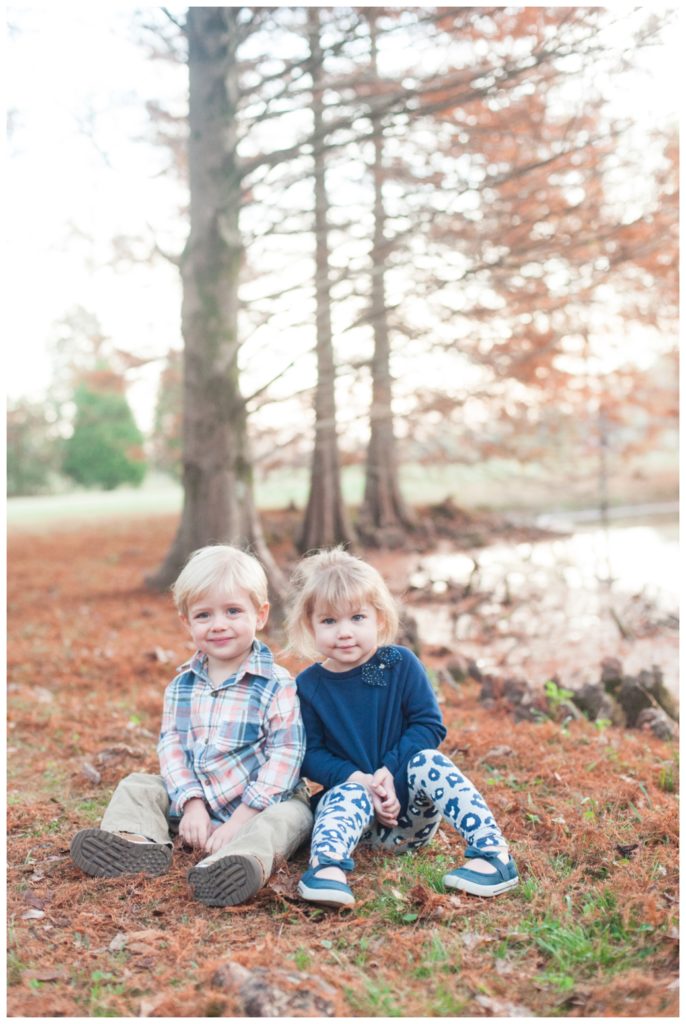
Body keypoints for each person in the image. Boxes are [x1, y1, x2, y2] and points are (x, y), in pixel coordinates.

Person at [70, 544, 312, 906]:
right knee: (138, 785)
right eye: (203, 615)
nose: (218, 624)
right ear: (187, 622)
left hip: (259, 805)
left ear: (260, 615)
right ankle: (136, 842)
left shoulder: (276, 684)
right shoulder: (182, 686)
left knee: (293, 815)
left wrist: (240, 820)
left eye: (233, 611)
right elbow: (172, 747)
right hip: (199, 802)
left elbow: (286, 755)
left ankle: (237, 862)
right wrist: (192, 804)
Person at [285, 547, 518, 909]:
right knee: (349, 792)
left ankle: (493, 855)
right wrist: (360, 780)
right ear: (310, 625)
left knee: (428, 760)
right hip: (352, 825)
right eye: (329, 621)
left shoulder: (400, 664)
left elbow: (428, 725)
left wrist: (388, 773)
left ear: (379, 618)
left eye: (357, 618)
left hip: (410, 820)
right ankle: (327, 870)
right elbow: (310, 754)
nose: (344, 632)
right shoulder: (309, 685)